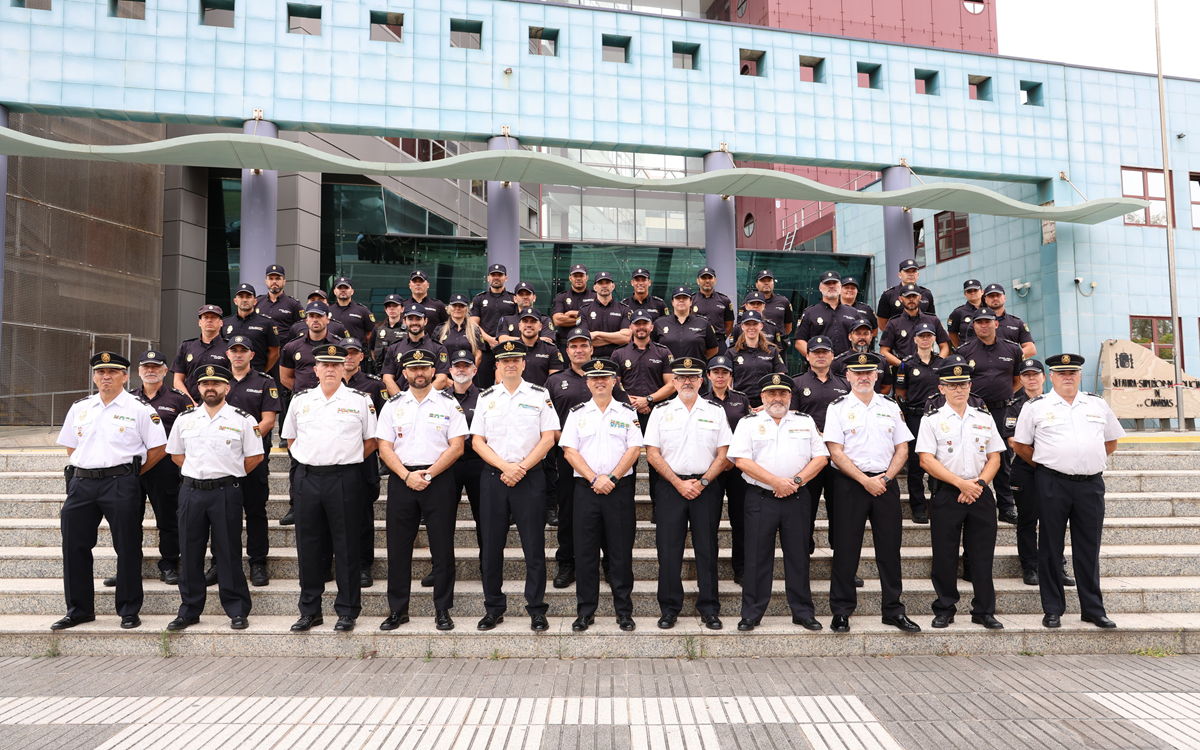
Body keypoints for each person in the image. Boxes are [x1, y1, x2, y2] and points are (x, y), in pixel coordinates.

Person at [53, 352, 167, 631]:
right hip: (81, 483)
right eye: (100, 372)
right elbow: (71, 446)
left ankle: (128, 609)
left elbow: (159, 448)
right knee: (74, 546)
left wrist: (132, 474)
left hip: (120, 482)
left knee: (127, 546)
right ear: (94, 377)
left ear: (125, 377)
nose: (106, 376)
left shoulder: (139, 409)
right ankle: (79, 610)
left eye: (113, 372)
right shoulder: (80, 407)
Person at [1012, 353, 1124, 630]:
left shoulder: (1097, 403)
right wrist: (1051, 464)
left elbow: (1111, 442)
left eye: (1072, 372)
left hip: (1091, 485)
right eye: (1061, 373)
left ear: (1080, 375)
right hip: (1052, 483)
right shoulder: (1036, 407)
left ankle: (1093, 610)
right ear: (1051, 377)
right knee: (1051, 547)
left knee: (1089, 548)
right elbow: (1021, 446)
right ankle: (1053, 609)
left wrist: (1085, 461)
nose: (1067, 377)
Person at [282, 344, 378, 633]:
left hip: (344, 478)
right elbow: (290, 439)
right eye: (325, 365)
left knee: (347, 546)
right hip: (307, 478)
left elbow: (371, 441)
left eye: (336, 365)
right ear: (315, 369)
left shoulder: (360, 400)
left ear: (344, 367)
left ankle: (347, 610)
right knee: (308, 546)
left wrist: (346, 460)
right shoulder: (300, 400)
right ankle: (310, 611)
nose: (330, 370)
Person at [823, 352, 919, 633]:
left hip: (885, 484)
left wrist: (885, 478)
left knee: (890, 550)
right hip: (850, 485)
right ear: (848, 376)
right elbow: (835, 452)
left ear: (877, 376)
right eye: (857, 372)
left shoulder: (890, 406)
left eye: (868, 372)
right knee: (845, 549)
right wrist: (864, 481)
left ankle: (893, 610)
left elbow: (902, 448)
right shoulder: (837, 408)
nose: (863, 377)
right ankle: (841, 611)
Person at [164, 364, 262, 631]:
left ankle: (237, 609)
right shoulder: (185, 419)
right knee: (190, 552)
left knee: (229, 552)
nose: (210, 388)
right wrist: (198, 474)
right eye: (205, 384)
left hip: (225, 492)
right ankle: (189, 609)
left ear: (226, 388)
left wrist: (228, 473)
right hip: (191, 492)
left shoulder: (243, 420)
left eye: (216, 383)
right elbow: (176, 454)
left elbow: (254, 457)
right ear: (198, 388)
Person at [729, 373, 829, 632]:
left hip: (797, 497)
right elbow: (741, 460)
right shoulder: (748, 423)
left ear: (790, 397)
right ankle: (751, 613)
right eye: (772, 393)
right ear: (762, 397)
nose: (777, 398)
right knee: (756, 557)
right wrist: (776, 482)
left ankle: (803, 612)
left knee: (798, 556)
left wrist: (794, 482)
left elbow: (820, 457)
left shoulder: (805, 421)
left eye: (782, 393)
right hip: (761, 497)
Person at [375, 349, 466, 632]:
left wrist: (428, 474)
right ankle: (398, 610)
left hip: (438, 479)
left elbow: (457, 447)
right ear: (404, 373)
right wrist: (406, 475)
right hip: (402, 479)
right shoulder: (393, 405)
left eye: (424, 368)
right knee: (398, 548)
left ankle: (443, 610)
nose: (419, 373)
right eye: (413, 368)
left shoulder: (449, 404)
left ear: (433, 371)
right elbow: (384, 447)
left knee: (442, 547)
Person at [471, 342, 560, 632]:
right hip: (494, 478)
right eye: (505, 360)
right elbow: (477, 441)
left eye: (516, 359)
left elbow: (548, 438)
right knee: (491, 547)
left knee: (533, 547)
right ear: (497, 365)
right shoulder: (486, 397)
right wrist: (505, 467)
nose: (510, 364)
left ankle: (536, 609)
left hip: (530, 478)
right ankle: (493, 609)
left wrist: (520, 468)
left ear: (524, 364)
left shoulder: (539, 395)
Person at [915, 356, 1004, 630]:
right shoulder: (931, 420)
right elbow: (925, 460)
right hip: (947, 494)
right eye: (952, 385)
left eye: (963, 384)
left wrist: (978, 485)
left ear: (970, 386)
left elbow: (995, 457)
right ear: (941, 388)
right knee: (945, 555)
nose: (959, 389)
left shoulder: (984, 418)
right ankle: (945, 608)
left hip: (980, 492)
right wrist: (960, 484)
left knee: (982, 556)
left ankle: (984, 610)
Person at [644, 357, 732, 630]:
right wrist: (678, 483)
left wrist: (703, 482)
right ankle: (669, 609)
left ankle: (709, 609)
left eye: (693, 377)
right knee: (669, 550)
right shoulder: (660, 411)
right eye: (682, 377)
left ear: (701, 380)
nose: (687, 382)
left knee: (707, 549)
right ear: (673, 381)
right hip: (670, 487)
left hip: (707, 487)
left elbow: (724, 454)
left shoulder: (715, 411)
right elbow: (652, 454)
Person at [560, 358, 644, 633]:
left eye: (605, 377)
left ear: (614, 381)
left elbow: (634, 449)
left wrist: (613, 478)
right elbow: (569, 451)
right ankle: (585, 612)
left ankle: (624, 611)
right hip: (586, 490)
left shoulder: (627, 412)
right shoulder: (577, 413)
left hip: (618, 490)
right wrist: (595, 478)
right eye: (594, 378)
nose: (599, 382)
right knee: (585, 554)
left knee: (620, 553)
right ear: (587, 382)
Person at [546, 328, 632, 587]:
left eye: (584, 345)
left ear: (592, 349)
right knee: (568, 514)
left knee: (606, 516)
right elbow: (547, 421)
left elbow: (624, 412)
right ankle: (567, 563)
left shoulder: (607, 379)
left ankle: (609, 565)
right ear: (567, 351)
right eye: (574, 346)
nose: (579, 350)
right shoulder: (555, 381)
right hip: (568, 459)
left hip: (605, 462)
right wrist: (569, 441)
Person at [1001, 358, 1074, 587]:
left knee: (1054, 521)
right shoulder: (1014, 405)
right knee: (1027, 520)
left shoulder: (1058, 402)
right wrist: (1042, 462)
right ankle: (1030, 566)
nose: (1031, 379)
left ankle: (1056, 566)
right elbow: (1013, 441)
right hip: (1026, 469)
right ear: (1020, 379)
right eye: (1026, 375)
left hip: (1055, 471)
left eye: (1035, 374)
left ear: (1044, 377)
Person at [124, 350, 192, 587]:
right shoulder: (127, 399)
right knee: (128, 520)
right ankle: (128, 568)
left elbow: (190, 431)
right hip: (131, 469)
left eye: (156, 367)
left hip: (165, 468)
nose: (151, 371)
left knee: (167, 519)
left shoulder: (178, 399)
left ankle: (169, 564)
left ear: (165, 371)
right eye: (146, 367)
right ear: (139, 371)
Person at [221, 336, 280, 588]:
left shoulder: (265, 382)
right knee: (222, 514)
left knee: (255, 512)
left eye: (243, 350)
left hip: (253, 459)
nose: (238, 354)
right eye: (233, 350)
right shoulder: (217, 381)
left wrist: (246, 443)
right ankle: (221, 564)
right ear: (227, 354)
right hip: (222, 460)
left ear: (251, 355)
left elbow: (268, 420)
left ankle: (257, 563)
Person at [956, 306, 1022, 525]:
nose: (983, 325)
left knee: (1003, 459)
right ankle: (969, 500)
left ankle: (1006, 506)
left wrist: (1005, 396)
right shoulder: (964, 352)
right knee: (971, 454)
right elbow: (960, 382)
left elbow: (1017, 379)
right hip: (974, 411)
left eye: (987, 321)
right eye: (979, 322)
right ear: (973, 326)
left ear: (996, 323)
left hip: (1002, 411)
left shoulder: (1013, 349)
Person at [613, 309, 676, 523]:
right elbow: (615, 384)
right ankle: (625, 507)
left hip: (655, 413)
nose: (641, 327)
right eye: (637, 324)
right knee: (626, 461)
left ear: (651, 327)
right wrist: (636, 403)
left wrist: (648, 400)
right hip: (627, 414)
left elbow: (671, 384)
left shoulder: (663, 352)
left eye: (644, 323)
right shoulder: (619, 353)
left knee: (656, 462)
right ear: (631, 327)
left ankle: (659, 507)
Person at [790, 336, 850, 555]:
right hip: (809, 457)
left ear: (832, 356)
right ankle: (804, 553)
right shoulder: (796, 383)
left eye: (825, 352)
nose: (821, 356)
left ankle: (841, 556)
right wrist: (821, 436)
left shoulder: (845, 384)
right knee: (806, 507)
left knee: (840, 509)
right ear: (807, 356)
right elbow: (793, 418)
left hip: (838, 457)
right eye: (816, 352)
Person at [342, 338, 387, 587]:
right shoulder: (325, 385)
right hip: (332, 463)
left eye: (353, 353)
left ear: (361, 357)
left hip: (364, 460)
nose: (348, 357)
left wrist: (358, 455)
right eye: (345, 353)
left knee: (362, 517)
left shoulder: (374, 385)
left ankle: (363, 564)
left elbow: (383, 427)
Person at [893, 321, 943, 524]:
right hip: (915, 417)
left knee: (939, 459)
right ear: (915, 339)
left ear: (934, 339)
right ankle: (918, 508)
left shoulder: (942, 363)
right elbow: (900, 393)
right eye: (921, 336)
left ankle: (938, 504)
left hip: (938, 417)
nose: (925, 339)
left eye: (928, 335)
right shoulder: (906, 364)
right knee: (916, 464)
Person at [707, 356, 751, 585]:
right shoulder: (701, 400)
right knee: (709, 522)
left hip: (737, 468)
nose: (720, 376)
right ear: (708, 376)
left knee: (740, 521)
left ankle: (740, 568)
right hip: (711, 468)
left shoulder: (741, 399)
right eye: (716, 372)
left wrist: (734, 458)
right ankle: (708, 569)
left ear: (731, 376)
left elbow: (748, 431)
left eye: (725, 372)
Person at [443, 350, 485, 575]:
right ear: (450, 371)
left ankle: (486, 566)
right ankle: (440, 568)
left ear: (474, 370)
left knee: (484, 517)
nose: (461, 370)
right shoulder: (439, 398)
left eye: (466, 366)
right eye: (457, 366)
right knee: (443, 518)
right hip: (448, 464)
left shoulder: (486, 398)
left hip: (478, 462)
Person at [381, 303, 450, 395]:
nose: (414, 322)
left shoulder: (438, 348)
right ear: (404, 322)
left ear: (425, 321)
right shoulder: (394, 348)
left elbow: (442, 379)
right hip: (401, 400)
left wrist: (422, 398)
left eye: (418, 319)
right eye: (410, 319)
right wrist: (402, 400)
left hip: (430, 401)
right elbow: (387, 378)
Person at [470, 263, 520, 387]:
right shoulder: (479, 299)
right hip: (485, 349)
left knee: (507, 384)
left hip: (508, 349)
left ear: (505, 278)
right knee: (483, 386)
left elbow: (518, 321)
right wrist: (489, 339)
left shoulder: (513, 299)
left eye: (500, 275)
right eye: (493, 275)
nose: (496, 277)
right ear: (488, 278)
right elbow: (472, 323)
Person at [879, 285, 950, 367]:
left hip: (929, 367)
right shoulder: (893, 323)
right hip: (904, 370)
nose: (911, 299)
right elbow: (884, 351)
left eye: (914, 296)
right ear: (900, 299)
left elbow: (945, 346)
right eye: (908, 297)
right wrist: (902, 365)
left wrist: (937, 364)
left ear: (920, 298)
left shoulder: (932, 320)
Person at [279, 301, 340, 394]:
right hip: (302, 399)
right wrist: (302, 393)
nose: (315, 320)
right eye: (311, 316)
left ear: (328, 320)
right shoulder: (292, 346)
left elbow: (349, 374)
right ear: (306, 320)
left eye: (319, 316)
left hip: (332, 397)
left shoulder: (339, 346)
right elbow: (284, 377)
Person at [728, 310, 786, 407]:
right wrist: (736, 402)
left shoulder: (772, 351)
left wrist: (768, 404)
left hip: (767, 403)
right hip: (740, 403)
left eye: (755, 324)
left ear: (761, 326)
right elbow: (727, 382)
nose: (751, 327)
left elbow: (780, 377)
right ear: (742, 326)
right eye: (747, 324)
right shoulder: (732, 352)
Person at [172, 304, 230, 400]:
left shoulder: (229, 348)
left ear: (221, 323)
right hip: (190, 403)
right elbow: (177, 380)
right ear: (200, 322)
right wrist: (190, 403)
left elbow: (233, 380)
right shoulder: (186, 346)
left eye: (214, 317)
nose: (209, 320)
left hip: (219, 403)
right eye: (206, 317)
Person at [795, 271, 860, 356]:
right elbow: (799, 341)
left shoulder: (853, 312)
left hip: (848, 362)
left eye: (834, 283)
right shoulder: (810, 313)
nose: (831, 286)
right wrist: (814, 357)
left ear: (840, 286)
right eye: (827, 283)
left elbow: (861, 338)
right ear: (820, 288)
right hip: (820, 362)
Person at [222, 283, 280, 373]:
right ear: (235, 301)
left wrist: (262, 372)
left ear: (255, 301)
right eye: (241, 296)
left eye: (248, 297)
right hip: (230, 374)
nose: (244, 299)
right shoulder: (225, 322)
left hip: (257, 372)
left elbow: (274, 353)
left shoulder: (267, 322)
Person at [655, 286, 719, 362]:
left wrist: (698, 360)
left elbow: (714, 349)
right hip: (667, 369)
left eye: (685, 298)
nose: (681, 300)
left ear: (691, 302)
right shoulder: (659, 323)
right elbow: (652, 348)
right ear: (672, 302)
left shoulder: (703, 323)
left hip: (694, 368)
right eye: (677, 298)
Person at [833, 319, 894, 398]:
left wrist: (870, 398)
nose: (862, 337)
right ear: (850, 337)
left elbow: (886, 387)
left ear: (871, 337)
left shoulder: (881, 360)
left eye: (866, 334)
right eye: (857, 334)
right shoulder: (839, 362)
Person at [577, 272, 632, 360]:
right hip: (592, 360)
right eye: (600, 283)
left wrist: (597, 334)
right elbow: (584, 340)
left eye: (607, 282)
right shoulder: (584, 310)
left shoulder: (624, 309)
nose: (604, 286)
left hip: (618, 360)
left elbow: (626, 338)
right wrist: (616, 339)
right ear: (595, 287)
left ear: (613, 286)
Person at [505, 308, 564, 385]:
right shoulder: (509, 350)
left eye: (533, 321)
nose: (529, 325)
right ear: (519, 326)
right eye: (525, 321)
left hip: (543, 392)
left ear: (540, 327)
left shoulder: (551, 350)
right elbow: (500, 379)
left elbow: (555, 381)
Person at [876, 258, 934, 331]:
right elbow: (882, 324)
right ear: (899, 275)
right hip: (898, 336)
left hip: (921, 335)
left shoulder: (926, 293)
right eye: (907, 271)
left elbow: (932, 320)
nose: (911, 274)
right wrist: (895, 336)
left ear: (918, 274)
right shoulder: (889, 295)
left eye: (914, 271)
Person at [982, 283, 1037, 358]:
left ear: (1004, 298)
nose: (995, 298)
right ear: (985, 299)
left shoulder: (1017, 323)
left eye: (998, 295)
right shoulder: (978, 324)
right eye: (991, 296)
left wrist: (1010, 358)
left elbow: (1031, 349)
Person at [255, 265, 305, 345]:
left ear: (284, 282)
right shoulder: (257, 302)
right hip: (260, 347)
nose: (274, 281)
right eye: (271, 278)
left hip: (284, 348)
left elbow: (303, 326)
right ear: (266, 281)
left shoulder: (293, 304)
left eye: (278, 278)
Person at [550, 263, 594, 352]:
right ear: (570, 278)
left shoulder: (595, 297)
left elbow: (598, 319)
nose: (578, 278)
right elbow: (557, 320)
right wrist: (586, 318)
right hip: (565, 345)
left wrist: (571, 313)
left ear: (587, 278)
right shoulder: (561, 297)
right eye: (575, 276)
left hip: (589, 346)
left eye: (581, 276)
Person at [435, 293, 485, 367]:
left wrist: (471, 371)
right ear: (448, 308)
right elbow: (434, 354)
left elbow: (478, 356)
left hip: (467, 372)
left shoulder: (475, 330)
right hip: (445, 372)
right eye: (454, 305)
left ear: (467, 309)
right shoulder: (440, 329)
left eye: (461, 306)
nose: (457, 308)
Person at [328, 276, 376, 351]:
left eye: (346, 288)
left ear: (352, 291)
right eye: (339, 288)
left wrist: (360, 345)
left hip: (355, 352)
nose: (343, 290)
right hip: (333, 352)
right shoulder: (327, 311)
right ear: (334, 291)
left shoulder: (362, 310)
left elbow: (372, 334)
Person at [691, 266, 735, 344]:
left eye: (710, 278)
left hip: (718, 341)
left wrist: (722, 339)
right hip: (696, 342)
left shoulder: (724, 300)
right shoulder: (691, 300)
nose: (707, 281)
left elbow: (729, 323)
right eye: (703, 278)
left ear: (715, 280)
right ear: (698, 281)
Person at [403, 269, 448, 337]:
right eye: (414, 281)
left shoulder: (438, 305)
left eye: (421, 281)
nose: (418, 284)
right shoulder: (402, 305)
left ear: (428, 285)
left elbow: (448, 326)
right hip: (406, 343)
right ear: (409, 286)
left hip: (433, 343)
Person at [750, 270, 794, 339]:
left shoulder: (784, 301)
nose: (766, 283)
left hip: (778, 344)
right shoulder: (749, 302)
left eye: (769, 280)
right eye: (763, 281)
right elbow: (741, 325)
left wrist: (778, 339)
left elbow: (788, 326)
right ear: (756, 285)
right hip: (755, 343)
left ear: (773, 283)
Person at [946, 279, 984, 349]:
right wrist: (961, 348)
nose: (972, 293)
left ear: (982, 292)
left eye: (975, 290)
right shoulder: (958, 312)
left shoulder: (989, 309)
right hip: (968, 351)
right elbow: (952, 334)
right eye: (969, 291)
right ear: (965, 294)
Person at [373, 294, 409, 367]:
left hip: (403, 369)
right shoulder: (378, 328)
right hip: (382, 368)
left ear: (402, 309)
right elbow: (372, 349)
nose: (392, 308)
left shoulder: (409, 328)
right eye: (389, 306)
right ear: (386, 310)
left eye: (395, 306)